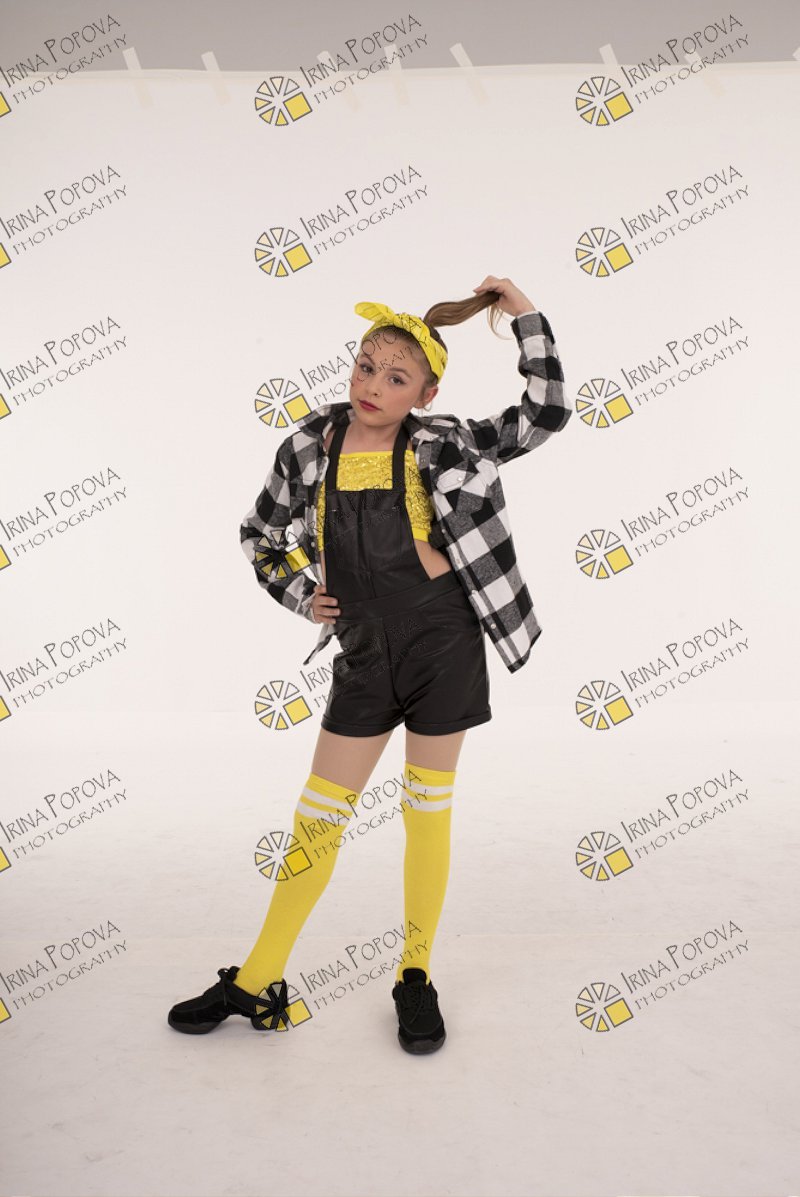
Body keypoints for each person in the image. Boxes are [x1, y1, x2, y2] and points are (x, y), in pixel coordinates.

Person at [167, 275, 573, 1053]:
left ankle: (414, 972)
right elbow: (259, 535)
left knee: (427, 809)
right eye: (365, 366)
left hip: (442, 641)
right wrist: (301, 594)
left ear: (425, 392)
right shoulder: (308, 444)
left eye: (396, 377)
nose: (374, 386)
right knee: (317, 816)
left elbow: (545, 412)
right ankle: (258, 980)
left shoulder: (442, 442)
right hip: (362, 651)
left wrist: (521, 312)